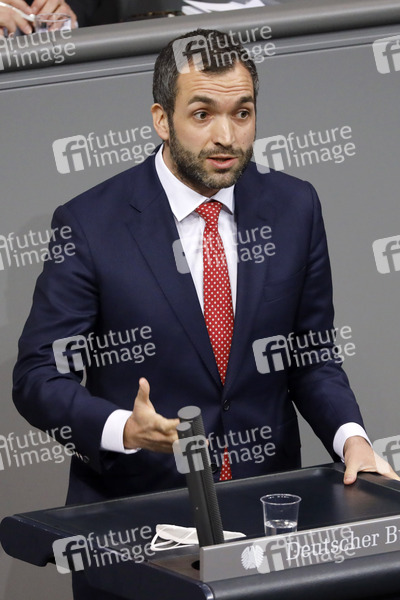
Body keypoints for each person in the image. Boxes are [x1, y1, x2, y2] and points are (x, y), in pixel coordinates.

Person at [12, 27, 399, 600]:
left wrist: (352, 440)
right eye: (202, 114)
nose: (226, 136)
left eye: (242, 113)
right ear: (162, 120)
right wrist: (124, 429)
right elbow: (37, 377)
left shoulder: (294, 206)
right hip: (137, 524)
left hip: (267, 524)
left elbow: (311, 356)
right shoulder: (90, 223)